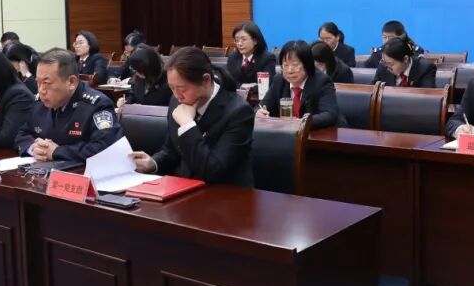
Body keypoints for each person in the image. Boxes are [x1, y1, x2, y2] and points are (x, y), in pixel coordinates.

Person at [130, 47, 255, 186]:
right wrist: (154, 163)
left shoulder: (238, 112)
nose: (177, 95)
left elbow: (213, 170)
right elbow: (172, 150)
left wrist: (187, 125)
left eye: (182, 89)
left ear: (206, 80)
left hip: (226, 192)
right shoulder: (176, 101)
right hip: (187, 189)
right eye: (172, 88)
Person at [14, 48, 124, 162]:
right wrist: (33, 148)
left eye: (46, 83)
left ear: (71, 82)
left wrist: (57, 152)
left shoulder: (97, 105)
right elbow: (22, 134)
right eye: (38, 82)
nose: (41, 90)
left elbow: (105, 148)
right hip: (44, 169)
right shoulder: (40, 103)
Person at [258, 40, 343, 129]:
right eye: (285, 65)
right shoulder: (279, 80)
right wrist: (259, 112)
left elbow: (329, 114)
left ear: (307, 65)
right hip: (287, 134)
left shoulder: (322, 81)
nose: (290, 70)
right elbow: (262, 106)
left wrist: (302, 122)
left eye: (295, 65)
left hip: (318, 133)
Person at [226, 21, 277, 85]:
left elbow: (268, 84)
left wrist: (250, 87)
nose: (239, 44)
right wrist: (244, 86)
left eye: (243, 39)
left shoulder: (267, 58)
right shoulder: (233, 57)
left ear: (255, 41)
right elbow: (228, 82)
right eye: (237, 40)